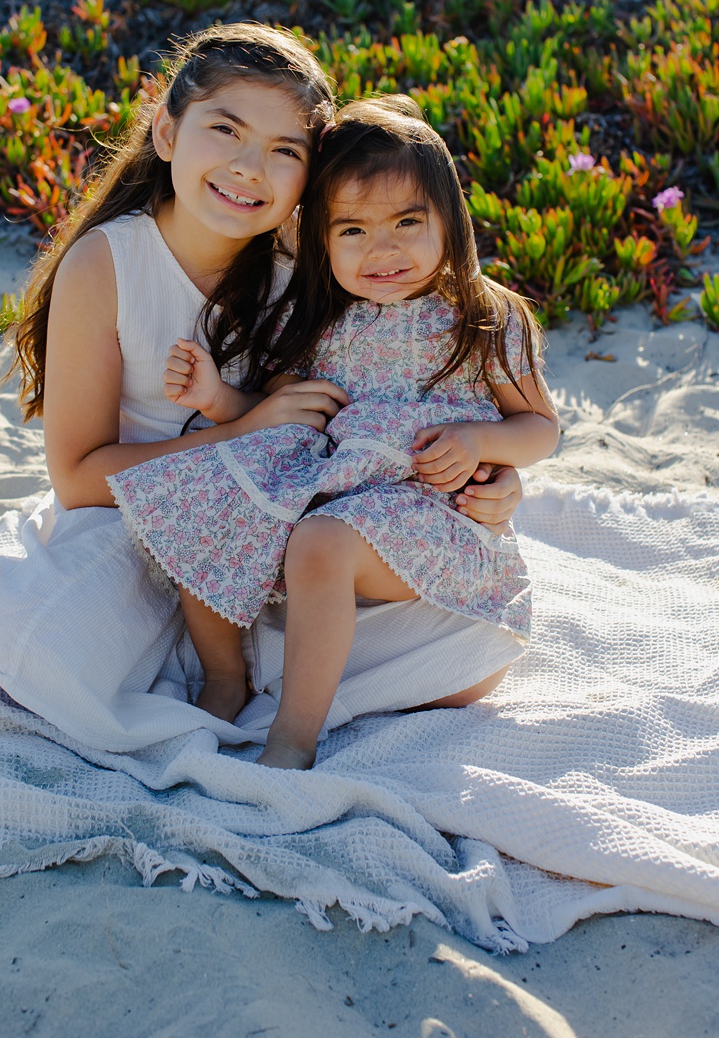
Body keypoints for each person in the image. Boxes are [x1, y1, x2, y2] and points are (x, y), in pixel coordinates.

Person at [0, 28, 526, 755]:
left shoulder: (319, 261)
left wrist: (496, 472)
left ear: (311, 178)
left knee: (469, 658)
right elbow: (77, 481)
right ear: (167, 131)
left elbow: (403, 393)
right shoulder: (107, 265)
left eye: (284, 151)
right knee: (39, 651)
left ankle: (235, 670)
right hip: (127, 520)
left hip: (273, 533)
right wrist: (238, 432)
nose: (248, 168)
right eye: (225, 130)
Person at [110, 96, 559, 767]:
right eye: (352, 230)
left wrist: (480, 441)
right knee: (206, 496)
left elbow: (541, 430)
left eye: (409, 221)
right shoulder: (321, 318)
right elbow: (278, 408)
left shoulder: (484, 316)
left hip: (432, 509)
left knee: (321, 543)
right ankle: (225, 676)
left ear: (450, 221)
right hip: (333, 491)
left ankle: (293, 738)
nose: (384, 249)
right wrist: (218, 396)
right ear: (321, 239)